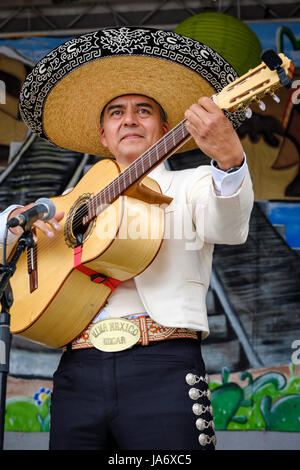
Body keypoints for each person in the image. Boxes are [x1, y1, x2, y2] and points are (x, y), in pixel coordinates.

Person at [4, 27, 254, 450]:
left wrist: (230, 161)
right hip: (77, 369)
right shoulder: (72, 199)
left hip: (163, 364)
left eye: (143, 110)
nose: (130, 119)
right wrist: (14, 218)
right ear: (103, 136)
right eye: (116, 112)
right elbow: (11, 237)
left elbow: (229, 226)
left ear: (165, 128)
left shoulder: (194, 184)